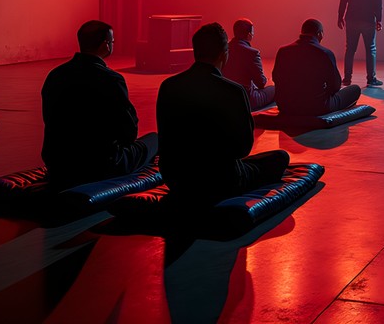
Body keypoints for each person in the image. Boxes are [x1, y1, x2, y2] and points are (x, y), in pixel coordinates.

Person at [157, 22, 290, 209]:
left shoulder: (168, 86)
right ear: (223, 54)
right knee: (280, 158)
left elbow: (165, 138)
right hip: (220, 181)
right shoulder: (233, 91)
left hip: (176, 178)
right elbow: (243, 149)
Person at [41, 20, 157, 186]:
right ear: (106, 45)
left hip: (58, 164)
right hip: (100, 167)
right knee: (154, 139)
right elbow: (129, 133)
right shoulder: (110, 79)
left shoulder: (55, 75)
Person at [273, 19, 362, 116]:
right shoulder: (325, 53)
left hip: (285, 105)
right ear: (320, 34)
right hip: (316, 107)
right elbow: (335, 86)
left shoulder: (283, 51)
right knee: (355, 89)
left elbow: (276, 78)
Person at [338, 0, 383, 87]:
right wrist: (379, 19)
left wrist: (340, 16)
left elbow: (343, 0)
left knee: (350, 49)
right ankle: (371, 78)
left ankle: (347, 78)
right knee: (371, 49)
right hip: (368, 19)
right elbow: (378, 3)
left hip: (352, 18)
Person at [223, 18, 275, 111]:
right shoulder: (252, 53)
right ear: (249, 35)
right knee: (275, 89)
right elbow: (261, 83)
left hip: (227, 97)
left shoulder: (224, 49)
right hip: (246, 99)